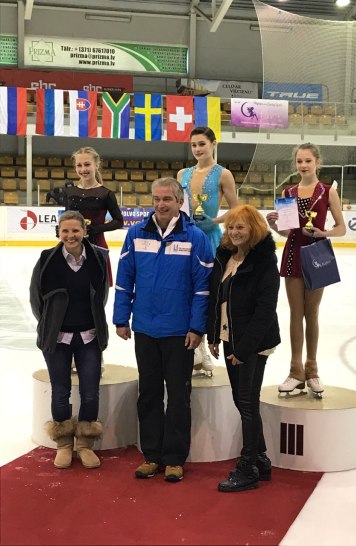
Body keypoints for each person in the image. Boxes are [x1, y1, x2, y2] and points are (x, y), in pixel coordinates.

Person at [113, 177, 213, 483]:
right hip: (145, 328)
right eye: (156, 199)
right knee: (149, 394)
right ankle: (152, 455)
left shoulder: (195, 238)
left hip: (179, 332)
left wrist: (197, 327)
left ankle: (174, 458)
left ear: (180, 202)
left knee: (179, 397)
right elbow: (124, 278)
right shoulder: (136, 234)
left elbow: (203, 288)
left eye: (167, 199)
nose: (160, 204)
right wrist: (121, 318)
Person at [207, 205, 281, 492]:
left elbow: (265, 311)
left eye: (241, 227)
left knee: (247, 403)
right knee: (242, 401)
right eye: (231, 227)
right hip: (231, 338)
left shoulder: (263, 262)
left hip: (252, 343)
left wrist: (244, 350)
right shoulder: (225, 256)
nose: (235, 232)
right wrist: (214, 335)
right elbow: (217, 298)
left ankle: (248, 466)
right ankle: (260, 459)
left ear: (254, 229)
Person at [29, 211, 109, 469]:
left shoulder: (98, 257)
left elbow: (102, 296)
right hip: (58, 338)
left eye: (75, 230)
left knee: (90, 392)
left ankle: (85, 444)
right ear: (59, 232)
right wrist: (49, 324)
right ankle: (64, 444)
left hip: (89, 337)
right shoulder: (47, 259)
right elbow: (36, 299)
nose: (70, 235)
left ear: (84, 231)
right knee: (60, 391)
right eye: (65, 231)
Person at [266, 143, 346, 395]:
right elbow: (287, 231)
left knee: (311, 313)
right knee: (295, 313)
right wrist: (274, 226)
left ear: (317, 162)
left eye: (308, 161)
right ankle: (295, 370)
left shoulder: (327, 191)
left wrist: (323, 233)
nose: (303, 165)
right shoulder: (288, 192)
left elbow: (341, 228)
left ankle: (312, 369)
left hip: (317, 254)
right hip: (293, 254)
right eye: (300, 161)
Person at [177, 126, 238, 374]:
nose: (197, 149)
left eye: (202, 144)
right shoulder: (182, 174)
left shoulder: (224, 174)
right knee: (186, 290)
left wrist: (215, 221)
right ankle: (194, 346)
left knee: (207, 292)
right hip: (185, 237)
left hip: (210, 239)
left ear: (213, 144)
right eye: (193, 145)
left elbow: (236, 209)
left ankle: (204, 345)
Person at [64, 146, 124, 286]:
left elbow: (119, 221)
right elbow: (67, 218)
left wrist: (96, 229)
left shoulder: (105, 194)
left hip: (97, 246)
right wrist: (62, 229)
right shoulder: (69, 192)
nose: (83, 169)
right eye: (79, 165)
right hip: (71, 246)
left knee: (97, 289)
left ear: (96, 165)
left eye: (87, 164)